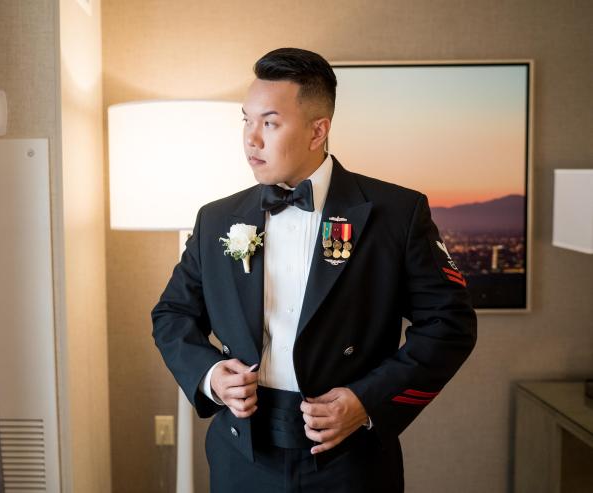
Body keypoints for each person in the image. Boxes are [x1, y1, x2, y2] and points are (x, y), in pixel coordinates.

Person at [151, 47, 477, 492]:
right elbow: (172, 314)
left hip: (349, 459)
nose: (251, 139)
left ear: (317, 130)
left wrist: (366, 400)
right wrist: (210, 376)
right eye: (246, 121)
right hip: (241, 454)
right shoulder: (216, 218)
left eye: (270, 123)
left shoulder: (397, 213)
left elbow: (449, 324)